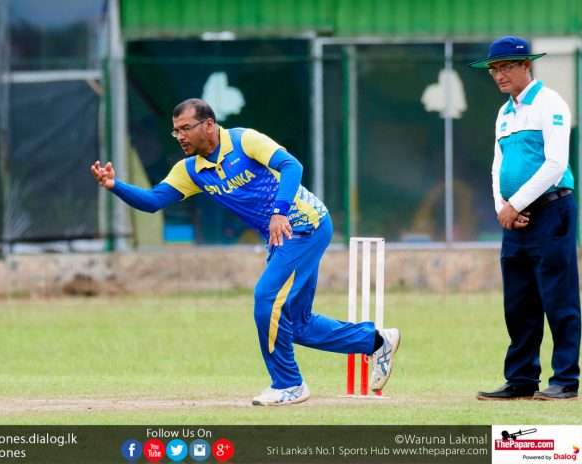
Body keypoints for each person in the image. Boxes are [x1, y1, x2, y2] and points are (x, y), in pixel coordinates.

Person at [91, 98, 400, 406]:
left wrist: (279, 212)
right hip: (281, 238)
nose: (180, 136)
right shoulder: (192, 170)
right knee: (296, 324)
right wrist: (115, 185)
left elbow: (292, 166)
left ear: (208, 125)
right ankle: (376, 342)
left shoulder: (244, 141)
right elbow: (153, 201)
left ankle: (289, 384)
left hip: (307, 225)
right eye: (176, 131)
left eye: (186, 128)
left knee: (266, 298)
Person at [469, 36, 581, 401]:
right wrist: (502, 207)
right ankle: (521, 379)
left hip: (552, 211)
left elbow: (556, 164)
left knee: (559, 298)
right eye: (494, 70)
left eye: (505, 67)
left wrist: (515, 204)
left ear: (525, 66)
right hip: (513, 218)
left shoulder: (550, 103)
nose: (499, 75)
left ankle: (565, 379)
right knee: (519, 302)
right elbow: (497, 166)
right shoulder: (504, 113)